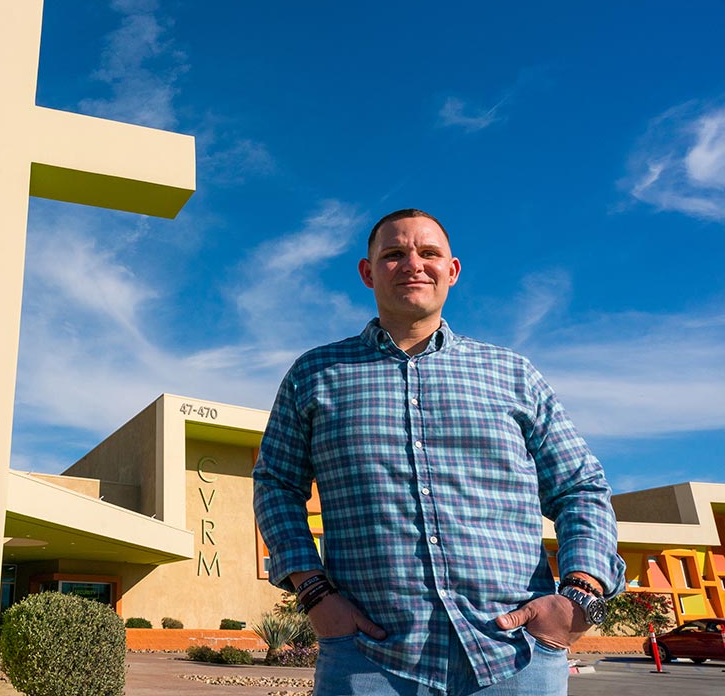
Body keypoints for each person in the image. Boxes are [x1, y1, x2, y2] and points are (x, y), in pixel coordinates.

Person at [253, 208, 625, 696]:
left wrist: (579, 597)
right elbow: (276, 485)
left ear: (452, 270)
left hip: (516, 655)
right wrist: (315, 594)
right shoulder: (315, 374)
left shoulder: (514, 374)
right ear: (367, 272)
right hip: (369, 659)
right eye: (393, 254)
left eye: (429, 253)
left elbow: (580, 487)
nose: (413, 264)